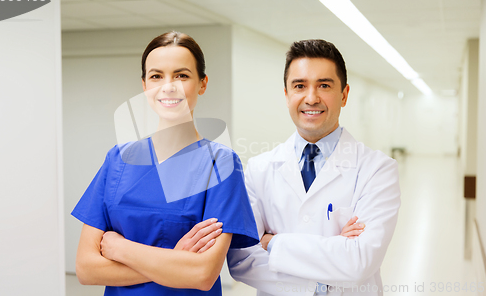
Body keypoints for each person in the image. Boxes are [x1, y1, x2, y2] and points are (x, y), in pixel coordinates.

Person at [71, 31, 259, 296]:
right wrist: (174, 261)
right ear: (145, 85)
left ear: (202, 84)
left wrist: (121, 249)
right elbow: (86, 269)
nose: (168, 86)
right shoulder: (118, 160)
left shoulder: (222, 164)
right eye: (156, 76)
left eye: (181, 75)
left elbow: (202, 274)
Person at [227, 39, 401, 296]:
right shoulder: (258, 169)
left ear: (344, 94)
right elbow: (243, 260)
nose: (311, 97)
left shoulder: (377, 169)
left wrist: (272, 242)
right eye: (299, 86)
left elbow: (359, 261)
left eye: (324, 85)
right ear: (286, 95)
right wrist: (323, 279)